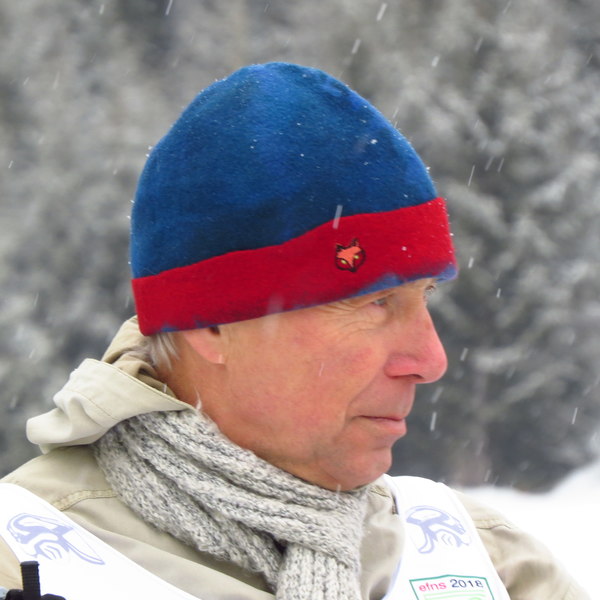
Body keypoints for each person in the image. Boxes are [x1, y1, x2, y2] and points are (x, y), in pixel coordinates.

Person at [0, 63, 587, 600]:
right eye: (375, 301)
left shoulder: (487, 563)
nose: (431, 361)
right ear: (212, 323)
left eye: (424, 295)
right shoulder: (24, 560)